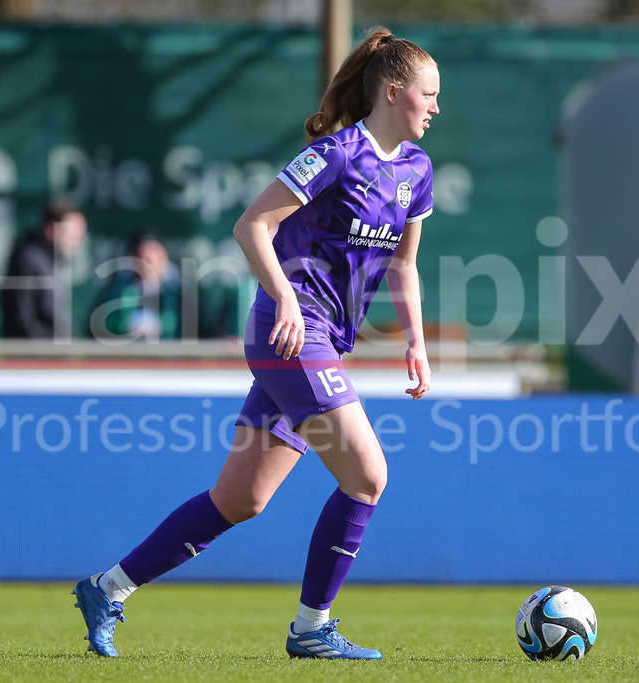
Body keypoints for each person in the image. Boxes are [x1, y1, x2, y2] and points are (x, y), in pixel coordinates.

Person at [71, 27, 439, 660]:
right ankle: (311, 629)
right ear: (392, 90)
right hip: (290, 333)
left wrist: (416, 342)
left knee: (240, 500)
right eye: (429, 94)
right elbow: (252, 226)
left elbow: (404, 267)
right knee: (368, 475)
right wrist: (288, 295)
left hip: (323, 342)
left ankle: (108, 588)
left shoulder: (417, 170)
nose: (436, 108)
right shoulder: (335, 155)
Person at [0, 201, 87, 339]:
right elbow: (21, 316)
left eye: (79, 236)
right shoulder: (27, 259)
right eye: (72, 235)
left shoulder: (50, 261)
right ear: (52, 229)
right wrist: (47, 351)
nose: (77, 241)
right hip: (33, 357)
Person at [88, 232, 182, 341]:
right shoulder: (117, 290)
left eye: (154, 256)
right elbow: (102, 324)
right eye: (142, 256)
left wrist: (158, 329)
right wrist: (127, 327)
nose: (148, 262)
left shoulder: (176, 294)